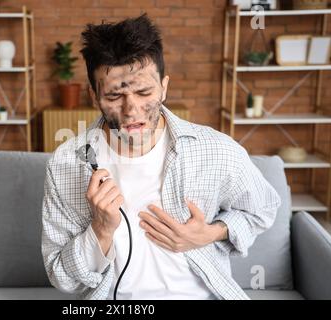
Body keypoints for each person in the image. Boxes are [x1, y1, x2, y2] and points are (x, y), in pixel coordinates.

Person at [41, 14, 281, 300]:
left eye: (144, 92)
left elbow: (262, 208)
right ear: (94, 97)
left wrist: (210, 233)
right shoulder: (66, 164)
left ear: (164, 87)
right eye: (115, 96)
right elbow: (61, 277)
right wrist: (101, 230)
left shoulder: (217, 149)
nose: (132, 110)